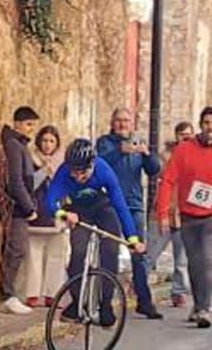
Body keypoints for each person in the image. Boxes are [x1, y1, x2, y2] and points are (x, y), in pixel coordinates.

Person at [44, 137, 146, 325]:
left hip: (103, 209)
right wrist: (62, 213)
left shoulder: (104, 170)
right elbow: (50, 200)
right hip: (79, 211)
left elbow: (120, 205)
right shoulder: (64, 172)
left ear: (91, 166)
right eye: (74, 172)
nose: (77, 177)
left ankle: (105, 304)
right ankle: (76, 303)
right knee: (78, 252)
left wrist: (132, 237)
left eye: (82, 172)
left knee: (110, 251)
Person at [155, 105, 212, 328]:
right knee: (194, 262)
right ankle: (198, 304)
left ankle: (204, 308)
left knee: (208, 260)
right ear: (200, 125)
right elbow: (168, 181)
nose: (210, 127)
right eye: (206, 123)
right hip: (189, 215)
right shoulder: (184, 150)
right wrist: (163, 213)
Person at [95, 106, 165, 319]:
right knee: (109, 255)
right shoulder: (105, 143)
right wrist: (120, 151)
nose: (122, 124)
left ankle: (145, 301)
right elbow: (100, 163)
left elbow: (154, 170)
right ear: (112, 122)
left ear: (131, 123)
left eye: (126, 120)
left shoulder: (138, 142)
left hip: (134, 206)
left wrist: (146, 154)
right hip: (110, 207)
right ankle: (105, 306)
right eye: (118, 120)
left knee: (139, 254)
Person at [0, 107, 42, 314]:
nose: (32, 130)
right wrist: (28, 207)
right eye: (29, 124)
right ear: (17, 124)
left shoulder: (19, 145)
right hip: (17, 208)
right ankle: (7, 295)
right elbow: (16, 181)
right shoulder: (14, 145)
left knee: (17, 250)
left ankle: (10, 293)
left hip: (20, 206)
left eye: (33, 125)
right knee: (16, 249)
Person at [146, 121, 196, 308]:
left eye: (188, 135)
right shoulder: (165, 156)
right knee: (151, 252)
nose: (185, 138)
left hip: (185, 212)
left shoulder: (197, 156)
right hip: (162, 210)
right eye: (182, 134)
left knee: (181, 258)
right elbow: (159, 173)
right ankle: (140, 286)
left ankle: (179, 292)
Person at [25, 125, 71, 306]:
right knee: (33, 255)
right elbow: (30, 184)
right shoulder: (32, 159)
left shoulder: (63, 164)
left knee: (56, 256)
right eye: (44, 140)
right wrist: (45, 171)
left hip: (56, 216)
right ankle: (32, 294)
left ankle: (52, 294)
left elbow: (66, 188)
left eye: (51, 141)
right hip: (38, 212)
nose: (47, 145)